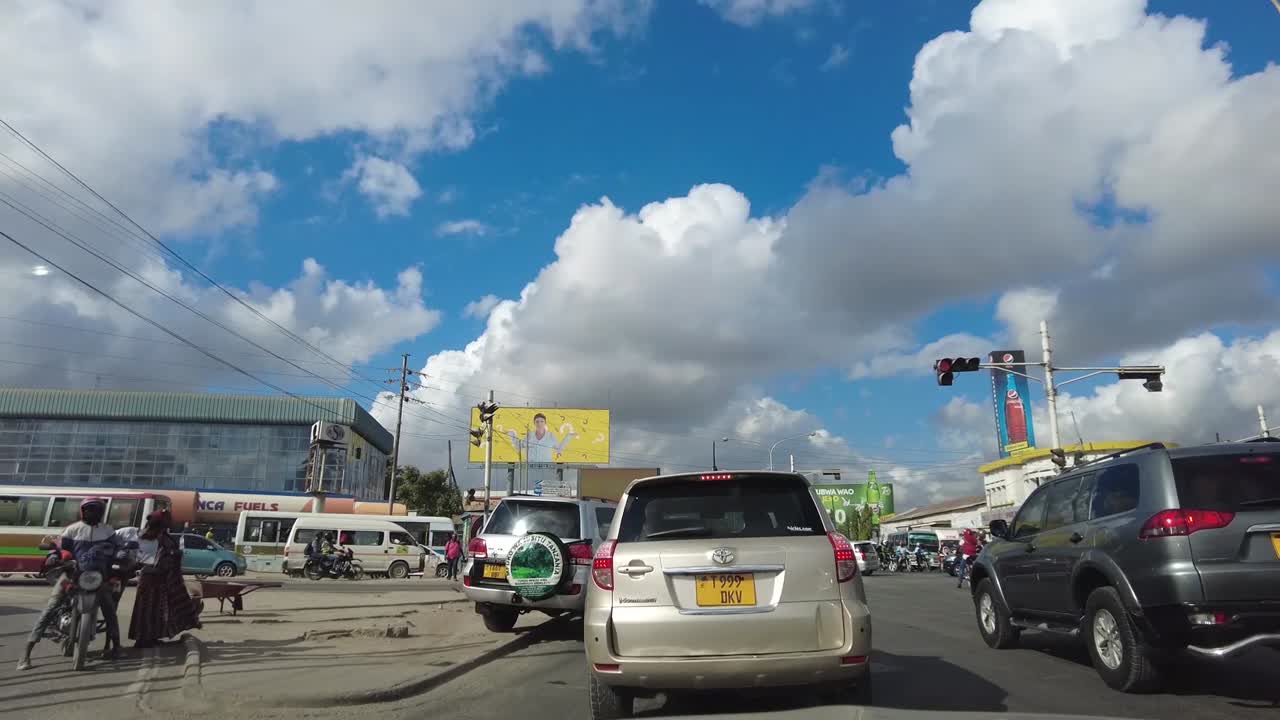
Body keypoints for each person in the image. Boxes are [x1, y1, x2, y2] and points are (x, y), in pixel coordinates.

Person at [18, 498, 123, 670]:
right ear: (82, 511)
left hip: (99, 577)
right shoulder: (72, 530)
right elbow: (59, 548)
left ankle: (117, 647)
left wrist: (123, 555)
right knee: (51, 608)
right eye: (89, 509)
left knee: (110, 610)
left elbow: (118, 549)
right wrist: (55, 556)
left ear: (101, 513)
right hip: (72, 574)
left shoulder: (108, 531)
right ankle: (26, 653)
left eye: (96, 510)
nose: (92, 512)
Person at [130, 511, 201, 649]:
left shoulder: (152, 536)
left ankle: (151, 637)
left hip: (156, 578)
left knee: (154, 609)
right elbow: (161, 556)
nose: (170, 523)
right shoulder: (153, 537)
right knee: (148, 609)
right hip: (153, 578)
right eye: (167, 521)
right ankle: (143, 639)